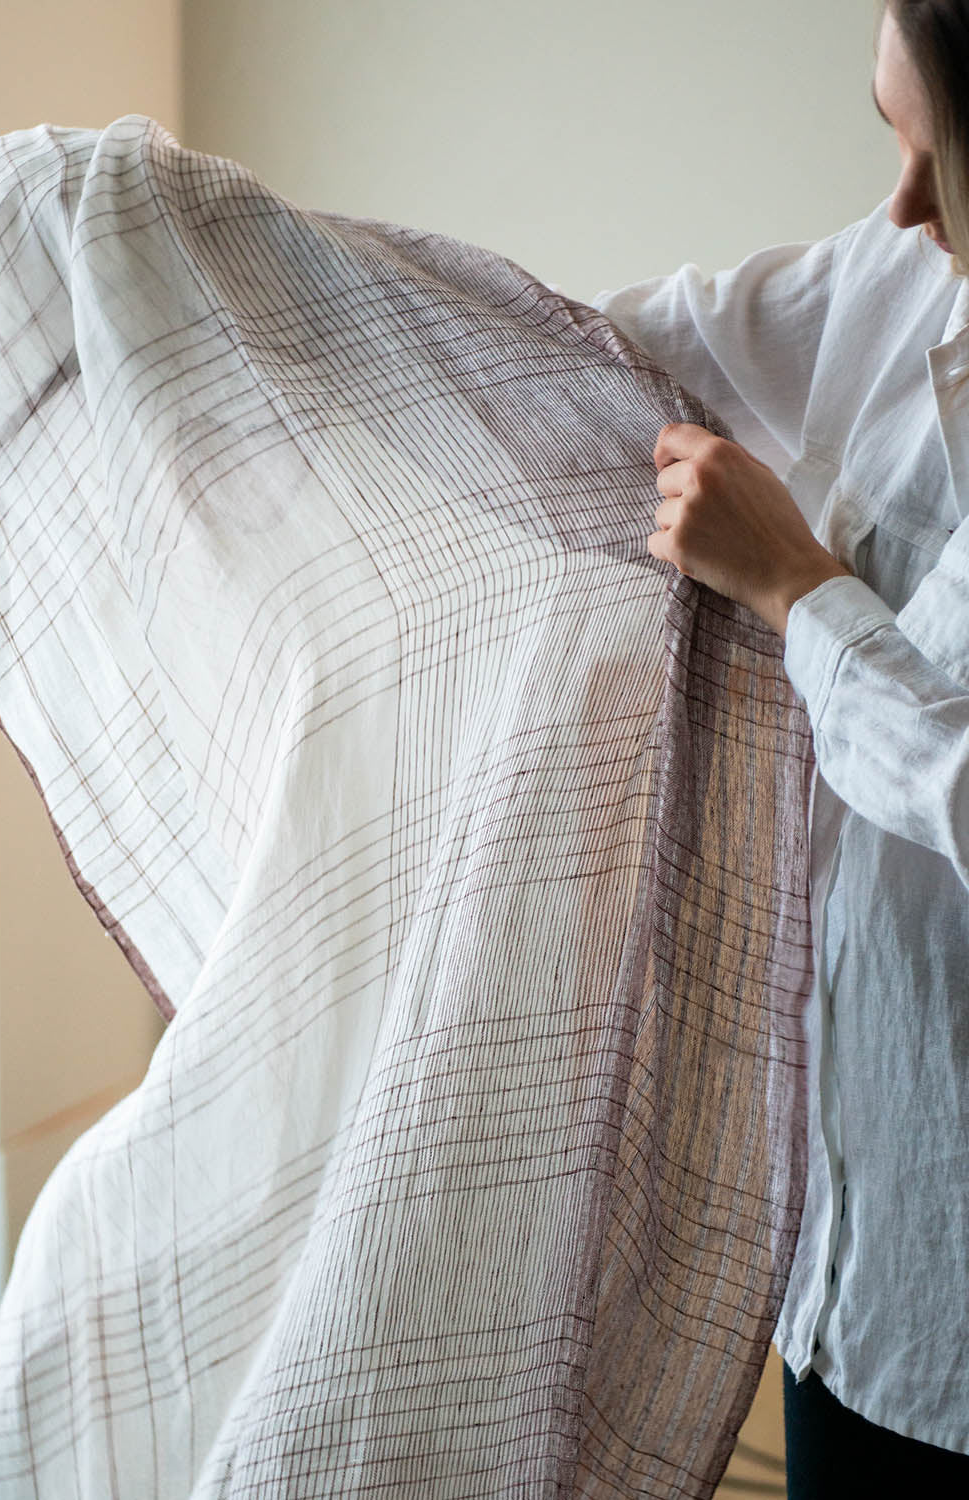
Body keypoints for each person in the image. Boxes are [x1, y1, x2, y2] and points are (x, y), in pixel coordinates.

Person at [591, 1, 969, 1494]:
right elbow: (591, 348)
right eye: (895, 134)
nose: (904, 203)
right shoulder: (907, 276)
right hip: (857, 1263)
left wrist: (798, 590)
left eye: (946, 155)